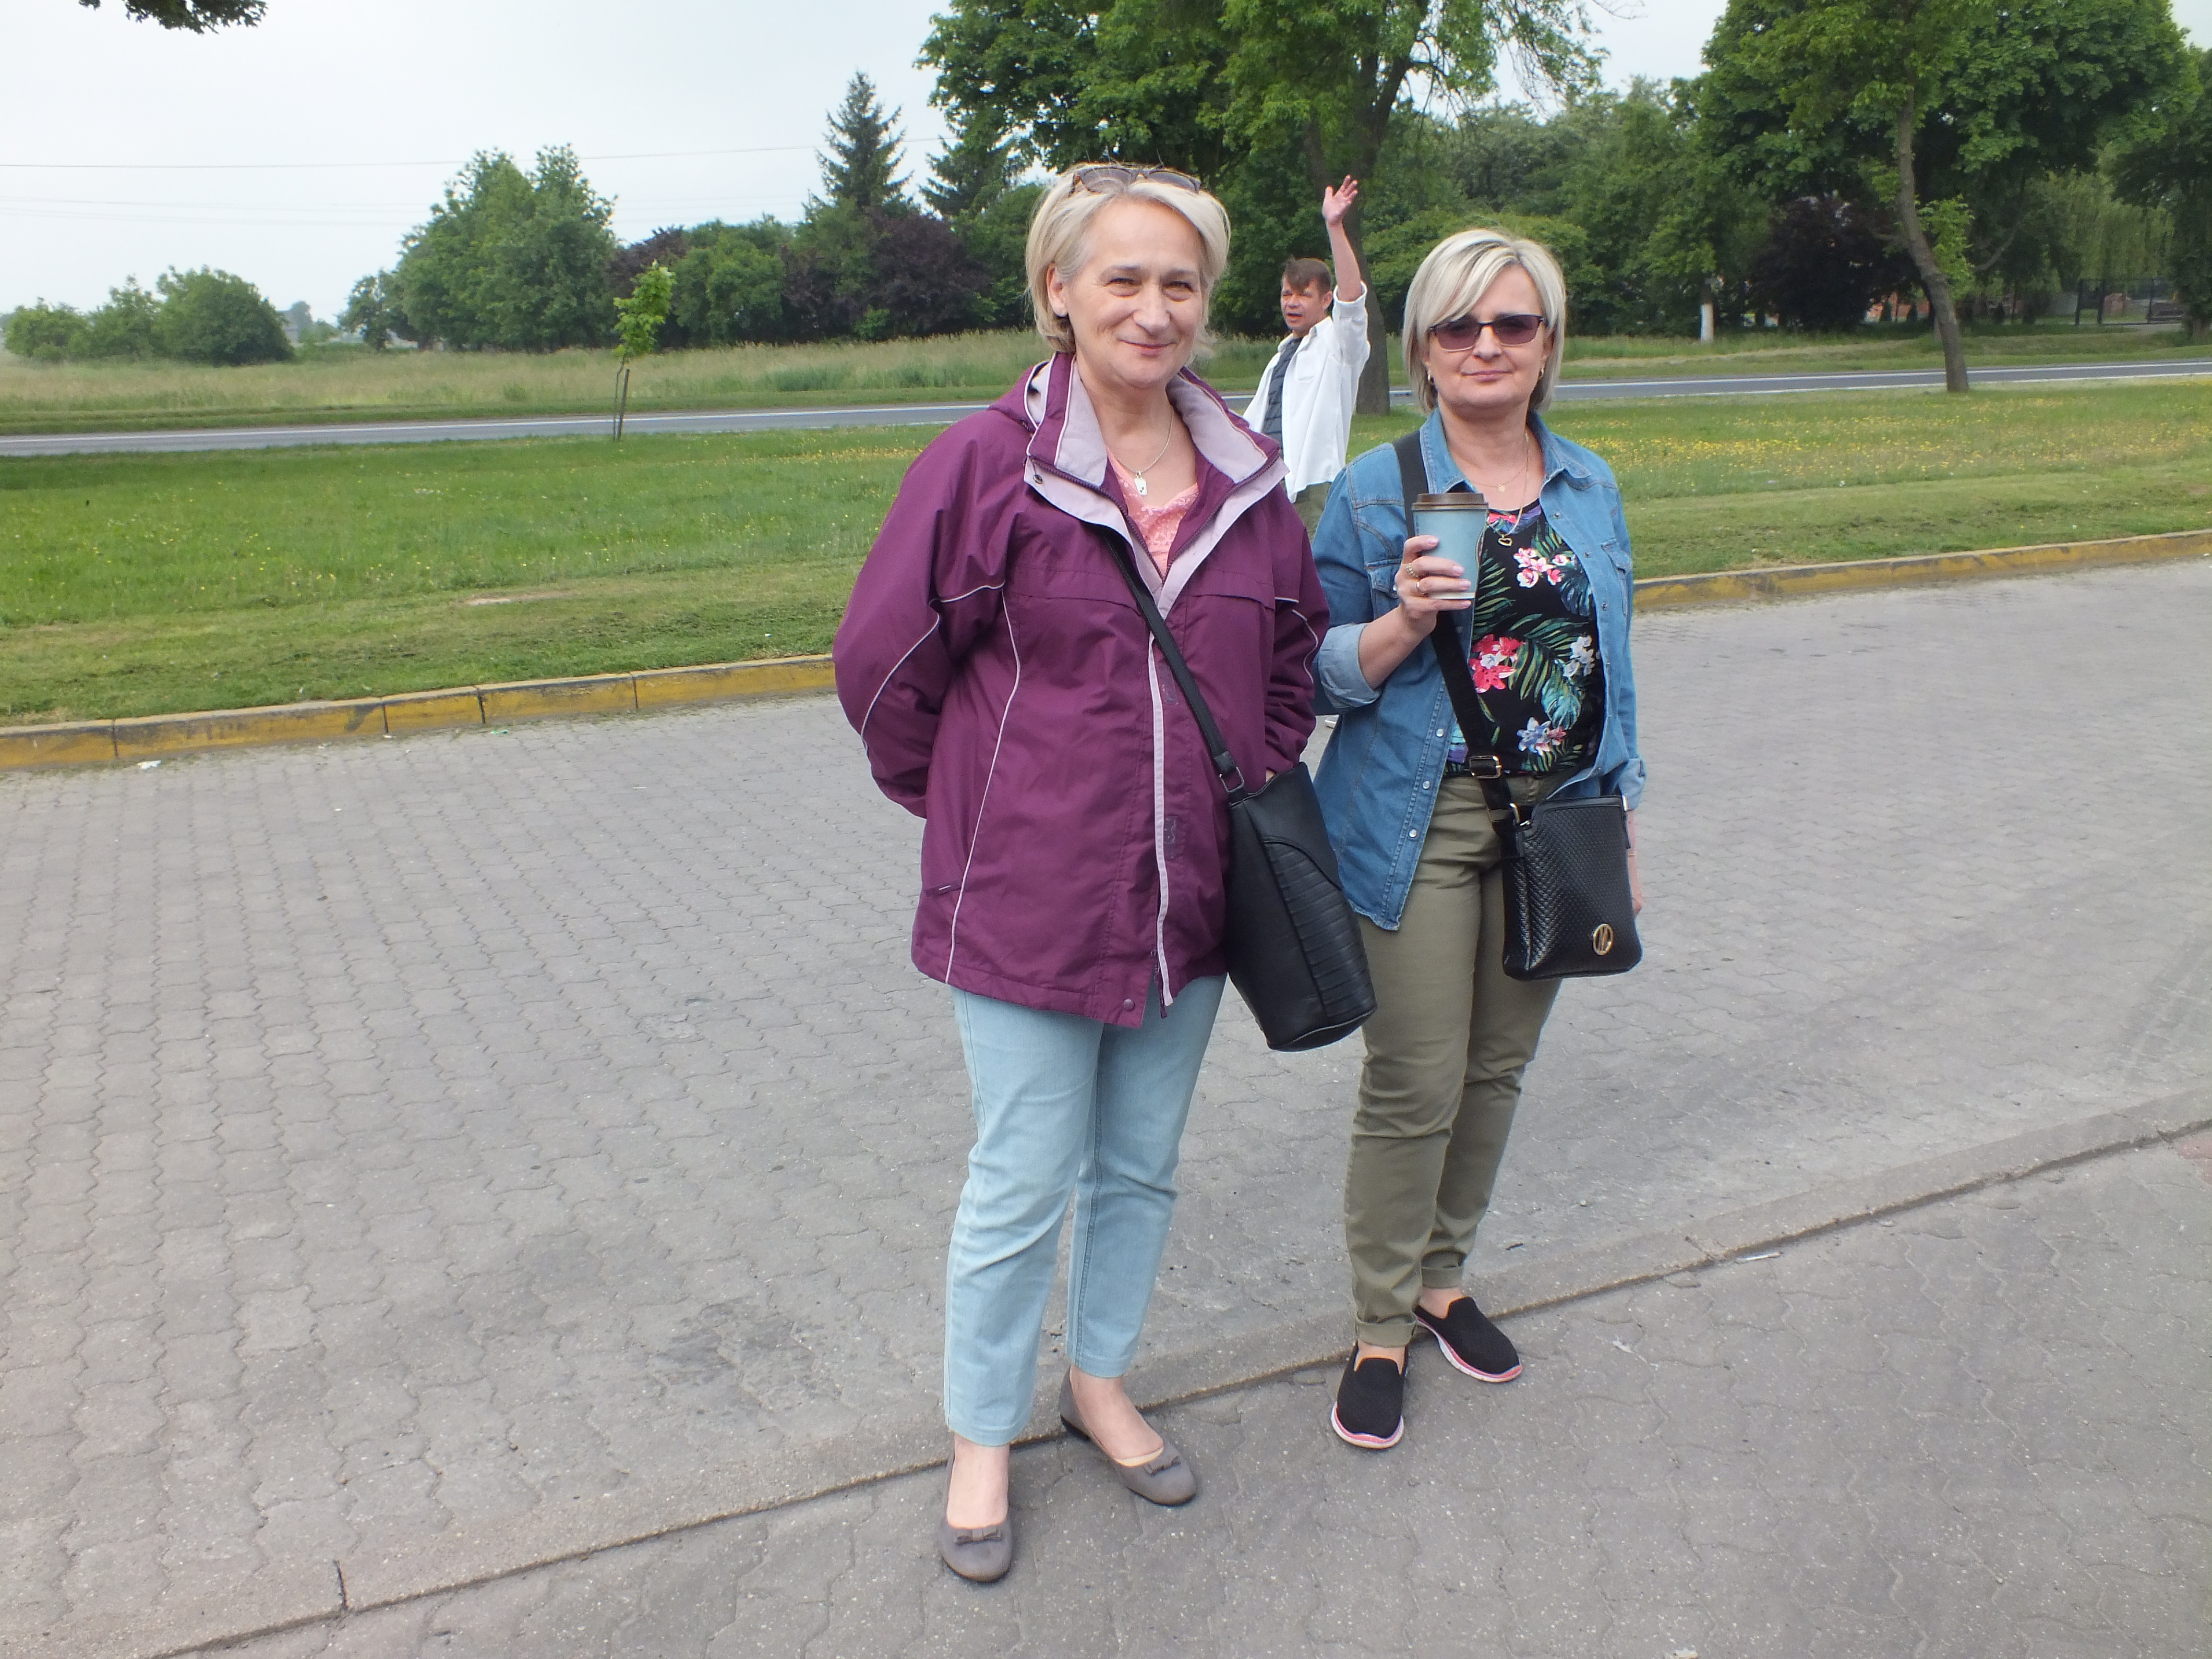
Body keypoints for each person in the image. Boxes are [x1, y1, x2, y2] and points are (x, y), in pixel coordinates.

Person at [832, 163, 1328, 1580]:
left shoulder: (1245, 474)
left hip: (1191, 902)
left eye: (1181, 283)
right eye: (1124, 278)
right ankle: (981, 1435)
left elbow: (1289, 659)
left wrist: (1235, 782)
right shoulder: (986, 464)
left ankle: (1098, 1381)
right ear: (1060, 290)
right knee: (1021, 1176)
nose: (1153, 308)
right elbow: (882, 670)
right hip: (1027, 905)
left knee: (1139, 1168)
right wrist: (981, 810)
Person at [1305, 227, 1646, 1450]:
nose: (1486, 345)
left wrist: (1621, 814)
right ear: (1422, 348)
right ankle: (1379, 1323)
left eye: (1512, 323)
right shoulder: (1375, 487)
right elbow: (1309, 674)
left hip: (1557, 816)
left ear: (1548, 343)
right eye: (1459, 325)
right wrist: (1402, 620)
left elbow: (1611, 664)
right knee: (1416, 1079)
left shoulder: (1589, 485)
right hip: (1419, 818)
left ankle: (1443, 1279)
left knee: (1497, 1068)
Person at [1245, 177, 1371, 532]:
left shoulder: (1338, 345)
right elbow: (1251, 423)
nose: (1292, 303)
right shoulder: (1281, 357)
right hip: (1268, 486)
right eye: (1287, 294)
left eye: (1303, 294)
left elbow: (1352, 299)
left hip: (1311, 486)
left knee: (1314, 567)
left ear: (1326, 299)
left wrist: (1335, 226)